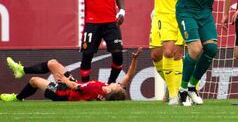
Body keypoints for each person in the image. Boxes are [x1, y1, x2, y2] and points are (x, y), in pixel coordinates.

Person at [86, 0, 185, 105]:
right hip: (161, 14)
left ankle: (177, 92)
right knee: (156, 55)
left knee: (173, 53)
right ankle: (173, 89)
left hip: (182, 14)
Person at [0, 47, 143, 102]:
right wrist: (135, 60)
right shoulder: (108, 90)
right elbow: (128, 77)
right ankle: (21, 70)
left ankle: (17, 98)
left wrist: (63, 80)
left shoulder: (95, 89)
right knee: (52, 63)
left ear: (111, 90)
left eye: (118, 86)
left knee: (34, 81)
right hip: (72, 85)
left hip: (65, 93)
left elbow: (75, 87)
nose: (119, 84)